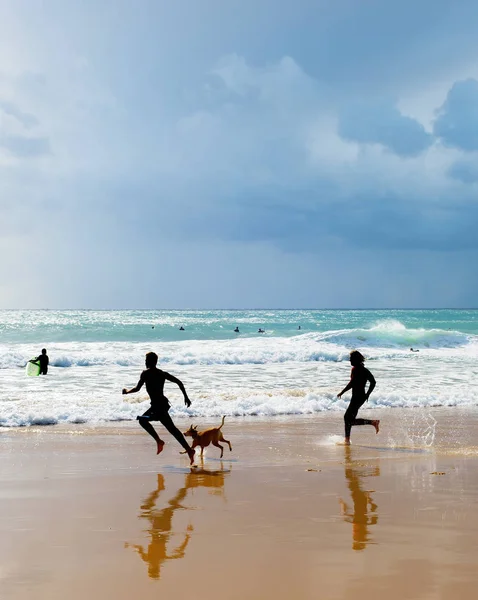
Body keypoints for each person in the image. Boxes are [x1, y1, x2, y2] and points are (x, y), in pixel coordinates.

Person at [122, 352, 195, 464]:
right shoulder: (162, 373)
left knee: (143, 420)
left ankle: (159, 441)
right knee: (172, 430)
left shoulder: (145, 373)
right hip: (161, 405)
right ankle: (189, 450)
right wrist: (186, 397)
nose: (145, 362)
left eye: (146, 360)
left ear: (148, 361)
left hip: (157, 407)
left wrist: (127, 391)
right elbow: (179, 382)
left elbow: (137, 388)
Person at [337, 350, 379, 445]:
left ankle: (372, 423)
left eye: (351, 359)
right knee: (349, 419)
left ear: (356, 359)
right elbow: (373, 382)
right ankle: (347, 439)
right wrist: (367, 394)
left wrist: (342, 392)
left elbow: (352, 383)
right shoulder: (363, 370)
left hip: (357, 397)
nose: (350, 361)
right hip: (360, 397)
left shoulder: (356, 369)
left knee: (348, 418)